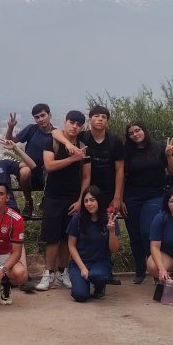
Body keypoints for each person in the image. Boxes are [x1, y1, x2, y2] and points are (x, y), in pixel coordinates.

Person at [52, 106, 126, 283]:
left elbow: (120, 169)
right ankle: (79, 268)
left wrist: (118, 196)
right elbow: (56, 133)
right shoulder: (83, 137)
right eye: (96, 116)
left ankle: (107, 269)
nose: (100, 119)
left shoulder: (114, 141)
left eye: (104, 117)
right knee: (84, 229)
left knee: (109, 229)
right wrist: (69, 144)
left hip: (108, 193)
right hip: (86, 193)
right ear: (90, 119)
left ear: (108, 121)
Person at [35, 110, 89, 291]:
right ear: (65, 122)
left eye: (78, 124)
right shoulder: (52, 141)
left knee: (68, 238)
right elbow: (49, 166)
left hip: (74, 197)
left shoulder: (83, 145)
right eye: (72, 122)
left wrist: (81, 199)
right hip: (53, 196)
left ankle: (62, 272)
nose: (74, 126)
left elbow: (86, 177)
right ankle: (48, 274)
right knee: (52, 238)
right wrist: (72, 158)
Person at [122, 121, 173, 283]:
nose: (135, 134)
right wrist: (119, 199)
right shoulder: (126, 151)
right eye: (131, 133)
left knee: (149, 232)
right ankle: (140, 270)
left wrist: (169, 155)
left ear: (144, 130)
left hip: (155, 195)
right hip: (132, 196)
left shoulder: (159, 147)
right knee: (134, 234)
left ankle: (154, 268)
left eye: (138, 130)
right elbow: (119, 176)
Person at [66, 186, 121, 302]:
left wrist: (112, 231)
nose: (89, 204)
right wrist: (82, 268)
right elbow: (71, 246)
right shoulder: (77, 218)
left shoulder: (110, 218)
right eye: (86, 201)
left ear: (99, 201)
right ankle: (82, 283)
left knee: (97, 276)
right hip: (80, 262)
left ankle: (99, 286)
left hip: (100, 262)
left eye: (92, 200)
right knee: (80, 296)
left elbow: (114, 249)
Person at [6, 105, 55, 214]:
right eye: (37, 117)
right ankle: (28, 202)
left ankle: (46, 198)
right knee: (24, 171)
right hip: (30, 172)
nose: (41, 119)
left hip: (47, 174)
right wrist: (10, 128)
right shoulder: (32, 129)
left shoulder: (56, 134)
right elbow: (10, 141)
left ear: (49, 115)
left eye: (43, 115)